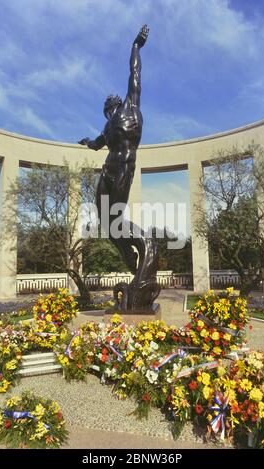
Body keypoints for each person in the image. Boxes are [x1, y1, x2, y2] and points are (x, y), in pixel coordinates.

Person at [79, 25, 160, 309]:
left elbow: (134, 73)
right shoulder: (107, 126)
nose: (108, 109)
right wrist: (88, 141)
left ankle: (138, 247)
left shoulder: (131, 106)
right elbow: (98, 143)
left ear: (114, 104)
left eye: (108, 106)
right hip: (107, 169)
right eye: (106, 108)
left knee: (115, 216)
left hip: (125, 166)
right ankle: (128, 252)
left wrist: (136, 46)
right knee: (105, 218)